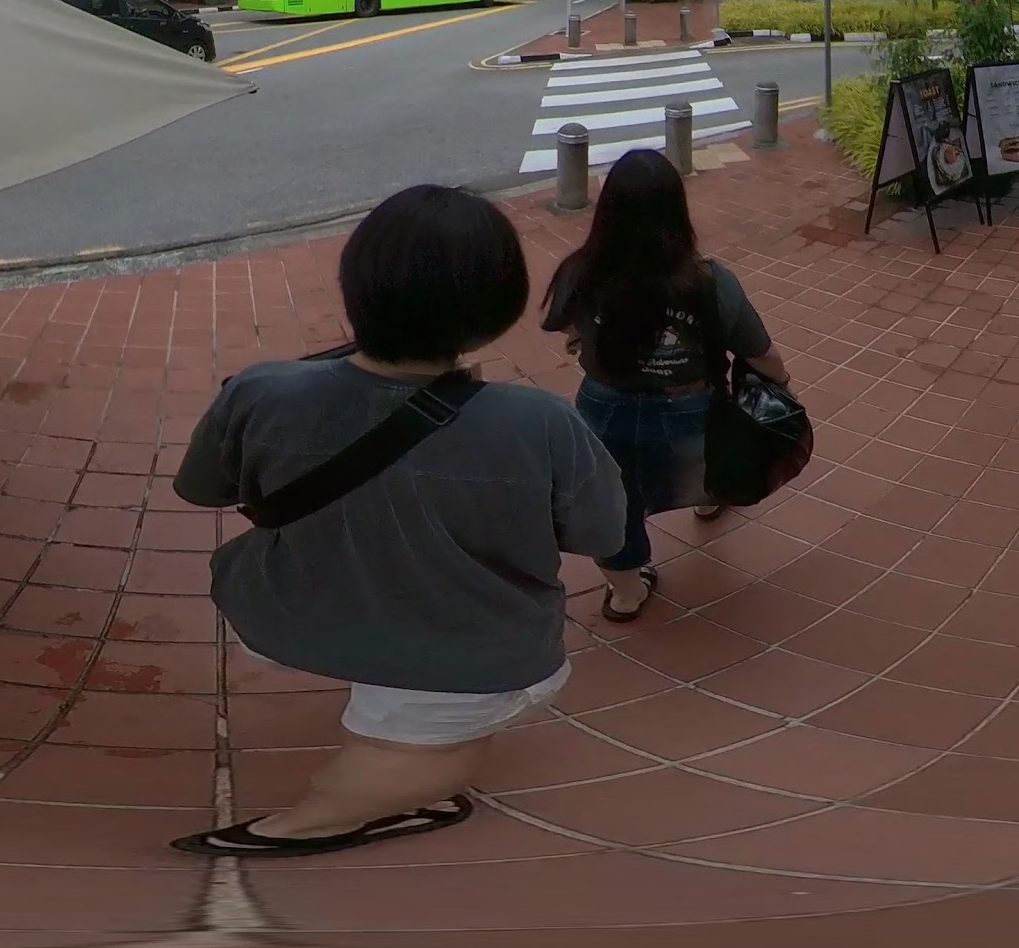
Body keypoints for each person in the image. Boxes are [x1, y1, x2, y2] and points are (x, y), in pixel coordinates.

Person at [170, 184, 624, 858]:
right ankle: (321, 821)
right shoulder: (541, 423)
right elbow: (602, 535)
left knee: (398, 696)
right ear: (496, 308)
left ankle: (383, 748)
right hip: (464, 646)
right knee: (424, 754)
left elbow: (201, 489)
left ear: (357, 285)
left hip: (287, 614)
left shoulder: (261, 390)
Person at [540, 148, 787, 622]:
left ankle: (627, 593)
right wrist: (782, 384)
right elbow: (760, 352)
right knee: (707, 462)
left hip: (603, 408)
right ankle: (710, 499)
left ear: (607, 212)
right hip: (691, 408)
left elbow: (563, 325)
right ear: (678, 211)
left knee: (612, 500)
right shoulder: (710, 281)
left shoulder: (580, 271)